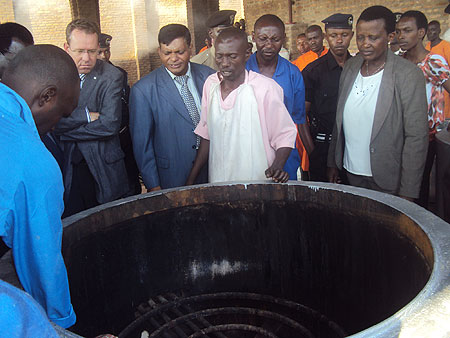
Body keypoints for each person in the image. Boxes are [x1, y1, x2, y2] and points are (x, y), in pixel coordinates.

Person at [0, 44, 79, 328]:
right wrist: (61, 327)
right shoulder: (33, 162)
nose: (57, 125)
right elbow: (42, 265)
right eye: (62, 114)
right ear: (46, 96)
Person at [327, 5, 428, 201]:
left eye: (373, 38)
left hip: (388, 178)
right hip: (351, 172)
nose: (365, 44)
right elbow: (339, 120)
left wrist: (408, 192)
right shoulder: (351, 67)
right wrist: (333, 161)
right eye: (361, 37)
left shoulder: (408, 75)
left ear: (390, 37)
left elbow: (417, 137)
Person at [186, 28, 297, 184]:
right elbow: (207, 134)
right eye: (219, 56)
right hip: (219, 179)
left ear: (247, 53)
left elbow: (284, 135)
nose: (224, 63)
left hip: (257, 180)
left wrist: (278, 165)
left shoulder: (265, 88)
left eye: (232, 56)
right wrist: (191, 180)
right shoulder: (211, 85)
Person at [55, 19, 129, 216]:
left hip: (104, 167)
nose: (86, 58)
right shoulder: (56, 75)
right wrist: (86, 116)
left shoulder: (112, 76)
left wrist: (64, 132)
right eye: (80, 51)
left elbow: (109, 125)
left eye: (92, 51)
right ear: (66, 47)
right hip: (68, 165)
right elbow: (52, 123)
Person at [130, 24, 214, 191]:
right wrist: (153, 186)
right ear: (160, 51)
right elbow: (142, 146)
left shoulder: (209, 77)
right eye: (167, 53)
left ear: (190, 48)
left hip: (211, 170)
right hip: (171, 177)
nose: (173, 59)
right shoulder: (144, 90)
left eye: (180, 52)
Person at [397, 11, 450, 208]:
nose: (402, 36)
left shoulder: (433, 62)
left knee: (417, 187)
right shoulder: (399, 61)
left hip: (426, 136)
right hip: (400, 133)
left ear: (421, 33)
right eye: (399, 31)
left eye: (407, 31)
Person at [246, 14, 307, 180]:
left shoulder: (293, 73)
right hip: (250, 152)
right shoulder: (242, 71)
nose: (269, 45)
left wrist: (312, 154)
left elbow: (298, 119)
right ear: (253, 37)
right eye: (263, 39)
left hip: (285, 156)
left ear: (284, 38)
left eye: (275, 39)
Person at [302, 13, 354, 182]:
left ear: (352, 35)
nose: (339, 41)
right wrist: (314, 154)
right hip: (322, 146)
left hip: (352, 148)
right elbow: (301, 117)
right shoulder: (313, 71)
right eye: (333, 36)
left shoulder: (359, 69)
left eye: (344, 35)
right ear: (326, 37)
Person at [98, 32, 141, 195]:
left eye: (106, 51)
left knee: (131, 185)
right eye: (99, 51)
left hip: (124, 139)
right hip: (103, 141)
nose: (104, 56)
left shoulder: (120, 74)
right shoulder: (87, 79)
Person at [426, 20, 450, 119]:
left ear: (439, 31)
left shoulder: (446, 46)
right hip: (431, 91)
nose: (430, 33)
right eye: (428, 30)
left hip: (444, 89)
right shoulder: (427, 46)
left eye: (433, 30)